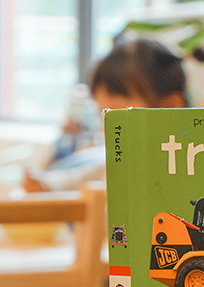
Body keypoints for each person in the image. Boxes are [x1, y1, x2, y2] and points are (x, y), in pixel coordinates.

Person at [24, 39, 191, 192]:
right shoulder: (122, 162)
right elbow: (83, 178)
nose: (106, 130)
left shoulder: (187, 167)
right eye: (103, 117)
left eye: (118, 116)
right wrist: (46, 182)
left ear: (171, 107)